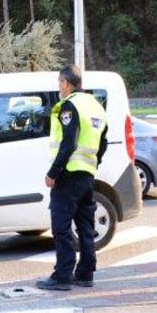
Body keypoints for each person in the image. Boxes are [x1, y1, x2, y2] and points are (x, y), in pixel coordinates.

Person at [36, 65, 108, 291]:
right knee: (85, 226)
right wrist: (94, 163)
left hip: (68, 176)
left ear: (66, 83)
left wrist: (53, 172)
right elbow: (103, 142)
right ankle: (86, 273)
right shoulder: (96, 106)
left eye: (60, 83)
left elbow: (68, 142)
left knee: (61, 226)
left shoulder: (69, 105)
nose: (59, 87)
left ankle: (63, 275)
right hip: (87, 175)